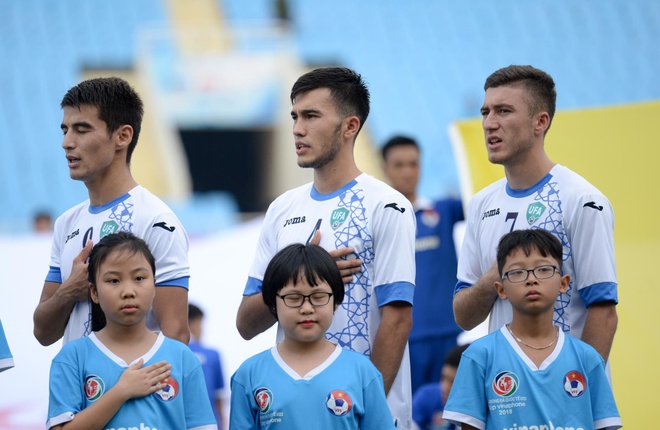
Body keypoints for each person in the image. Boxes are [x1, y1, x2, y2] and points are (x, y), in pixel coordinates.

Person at [235, 67, 416, 429]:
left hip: (365, 415)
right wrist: (298, 276)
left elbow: (397, 319)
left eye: (311, 116)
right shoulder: (281, 209)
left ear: (350, 126)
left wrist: (366, 408)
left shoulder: (387, 206)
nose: (297, 129)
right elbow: (245, 324)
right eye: (295, 117)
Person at [453, 65, 618, 362]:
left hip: (564, 393)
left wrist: (578, 390)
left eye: (503, 111)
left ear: (540, 121)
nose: (489, 123)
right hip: (505, 393)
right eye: (485, 112)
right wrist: (496, 274)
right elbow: (463, 316)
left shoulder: (582, 200)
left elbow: (604, 312)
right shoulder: (481, 204)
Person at [33, 77, 190, 347]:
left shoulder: (156, 221)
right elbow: (43, 333)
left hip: (133, 387)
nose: (67, 143)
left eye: (81, 130)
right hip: (74, 387)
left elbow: (175, 334)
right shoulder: (66, 223)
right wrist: (68, 292)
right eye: (65, 130)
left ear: (123, 136)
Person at [443, 229, 621, 429]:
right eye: (517, 272)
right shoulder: (479, 357)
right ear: (501, 289)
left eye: (543, 269)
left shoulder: (588, 358)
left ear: (564, 283)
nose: (531, 279)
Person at [46, 232, 216, 429]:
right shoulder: (72, 357)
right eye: (114, 281)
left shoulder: (182, 357)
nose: (128, 291)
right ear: (94, 292)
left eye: (139, 278)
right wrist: (121, 391)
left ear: (154, 286)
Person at [230, 243, 395, 429]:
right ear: (273, 303)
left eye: (318, 297)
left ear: (335, 301)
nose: (307, 308)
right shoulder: (249, 375)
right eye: (293, 298)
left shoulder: (363, 372)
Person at [381, 135, 464, 394]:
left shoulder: (443, 210)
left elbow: (483, 197)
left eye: (413, 164)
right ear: (385, 168)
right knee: (412, 414)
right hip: (403, 337)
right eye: (399, 165)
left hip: (449, 332)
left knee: (450, 413)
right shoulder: (378, 220)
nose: (408, 172)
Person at [411, 343, 469, 430]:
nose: (445, 387)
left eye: (453, 382)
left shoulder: (481, 413)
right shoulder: (427, 396)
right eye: (443, 378)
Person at [189, 303, 226, 428]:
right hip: (209, 423)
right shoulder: (212, 355)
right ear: (192, 324)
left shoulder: (169, 352)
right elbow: (219, 397)